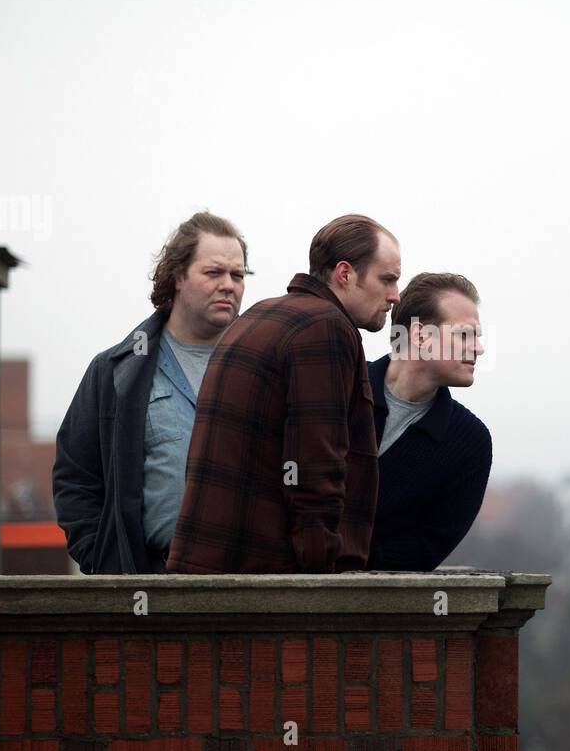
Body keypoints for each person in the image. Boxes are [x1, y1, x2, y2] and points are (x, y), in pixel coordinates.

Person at [167, 214, 400, 574]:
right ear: (345, 273)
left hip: (208, 572)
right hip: (264, 586)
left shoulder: (259, 317)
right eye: (387, 279)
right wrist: (321, 573)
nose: (394, 296)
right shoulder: (325, 328)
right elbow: (315, 466)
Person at [52, 211, 249, 574]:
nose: (229, 285)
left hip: (248, 585)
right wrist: (104, 559)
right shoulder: (115, 371)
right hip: (151, 586)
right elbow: (75, 476)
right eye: (213, 272)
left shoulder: (262, 369)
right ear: (177, 276)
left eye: (237, 275)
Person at [367, 273, 491, 571]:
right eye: (465, 335)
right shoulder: (337, 388)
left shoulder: (469, 442)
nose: (479, 348)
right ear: (420, 336)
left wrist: (343, 557)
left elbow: (428, 548)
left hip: (369, 606)